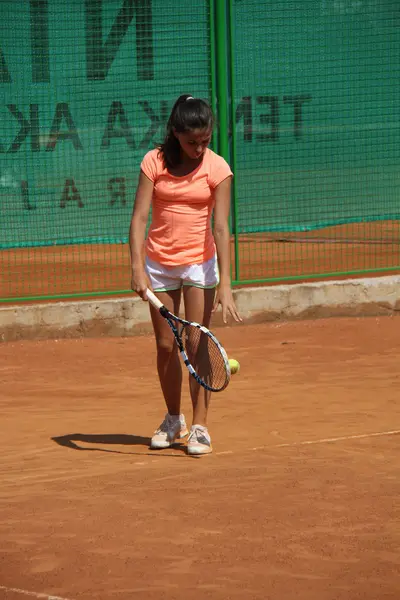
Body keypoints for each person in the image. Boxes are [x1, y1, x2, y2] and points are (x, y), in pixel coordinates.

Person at [129, 94, 241, 456]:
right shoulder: (154, 162)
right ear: (176, 133)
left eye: (205, 140)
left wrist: (225, 281)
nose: (199, 147)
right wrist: (137, 267)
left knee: (196, 345)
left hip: (198, 263)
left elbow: (221, 227)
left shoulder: (218, 168)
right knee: (165, 346)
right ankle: (174, 418)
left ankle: (200, 426)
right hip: (159, 264)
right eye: (192, 141)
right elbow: (139, 218)